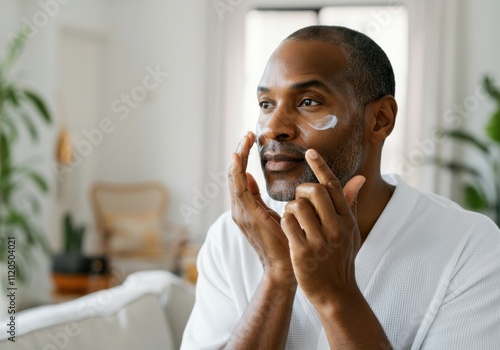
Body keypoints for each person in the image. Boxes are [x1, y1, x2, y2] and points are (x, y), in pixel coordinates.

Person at [181, 25, 500, 349]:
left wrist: (335, 293)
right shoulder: (231, 237)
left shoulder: (470, 246)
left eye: (307, 101)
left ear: (379, 120)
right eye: (266, 104)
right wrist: (277, 276)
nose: (274, 127)